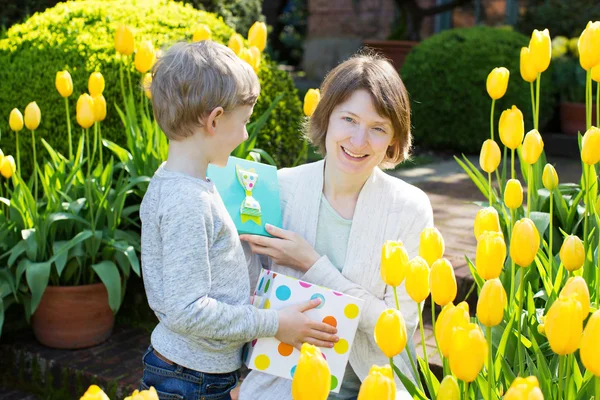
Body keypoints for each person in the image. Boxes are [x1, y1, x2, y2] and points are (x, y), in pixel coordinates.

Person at [139, 40, 338, 400]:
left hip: (196, 371)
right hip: (191, 378)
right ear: (215, 120)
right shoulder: (188, 201)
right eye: (243, 122)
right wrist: (276, 323)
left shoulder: (183, 180)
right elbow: (188, 311)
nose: (246, 134)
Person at [238, 52, 433, 399]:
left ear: (393, 138)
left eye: (378, 128)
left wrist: (312, 265)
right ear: (326, 117)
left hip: (374, 388)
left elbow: (399, 326)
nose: (359, 141)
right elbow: (244, 296)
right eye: (349, 119)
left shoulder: (409, 208)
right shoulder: (279, 190)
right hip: (283, 386)